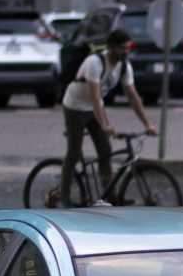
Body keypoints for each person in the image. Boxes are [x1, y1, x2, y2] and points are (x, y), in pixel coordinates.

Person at [56, 28, 155, 205]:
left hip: (95, 107)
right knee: (74, 151)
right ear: (111, 47)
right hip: (75, 106)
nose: (126, 52)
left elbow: (133, 96)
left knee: (105, 151)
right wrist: (105, 125)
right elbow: (94, 96)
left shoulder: (124, 66)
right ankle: (64, 197)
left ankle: (110, 196)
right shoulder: (95, 62)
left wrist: (148, 124)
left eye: (128, 48)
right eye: (122, 48)